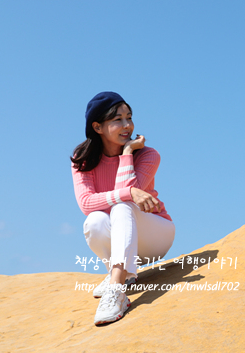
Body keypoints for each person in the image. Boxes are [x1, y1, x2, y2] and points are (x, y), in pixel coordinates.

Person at [71, 91, 175, 326]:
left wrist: (127, 153)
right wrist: (129, 193)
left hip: (155, 235)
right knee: (95, 220)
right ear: (98, 127)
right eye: (117, 119)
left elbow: (128, 199)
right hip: (121, 239)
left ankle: (116, 289)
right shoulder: (83, 159)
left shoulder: (148, 155)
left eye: (129, 117)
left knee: (121, 207)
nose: (127, 125)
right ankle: (118, 273)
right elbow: (86, 204)